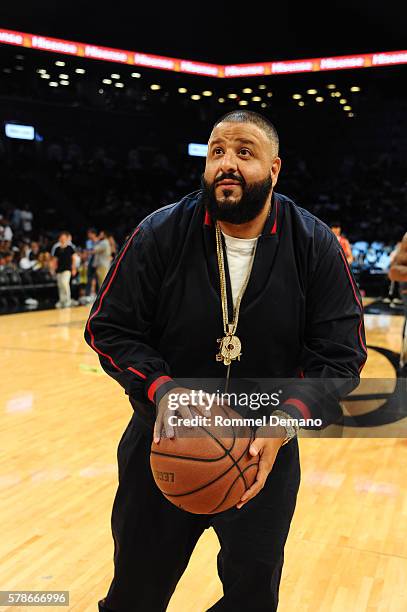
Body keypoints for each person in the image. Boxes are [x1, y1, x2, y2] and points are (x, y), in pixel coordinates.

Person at [85, 110, 367, 612]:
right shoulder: (160, 232)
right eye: (217, 152)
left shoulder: (314, 244)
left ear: (274, 169)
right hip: (166, 442)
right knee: (134, 593)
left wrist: (285, 423)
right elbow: (109, 327)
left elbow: (340, 356)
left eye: (244, 152)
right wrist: (162, 390)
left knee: (252, 596)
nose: (227, 164)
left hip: (264, 449)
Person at [52, 231, 77, 308]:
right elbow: (55, 260)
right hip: (59, 269)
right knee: (60, 285)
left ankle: (67, 300)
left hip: (67, 269)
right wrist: (53, 268)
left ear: (66, 239)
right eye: (61, 238)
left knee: (65, 283)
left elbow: (74, 258)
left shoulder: (70, 248)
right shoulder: (57, 249)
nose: (62, 239)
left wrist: (74, 268)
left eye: (64, 238)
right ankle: (62, 301)